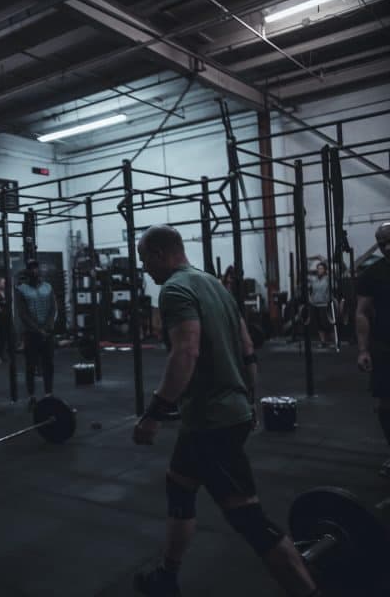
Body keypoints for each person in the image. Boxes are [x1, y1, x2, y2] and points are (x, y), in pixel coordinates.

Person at [131, 225, 318, 597]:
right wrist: (250, 399)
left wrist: (153, 413)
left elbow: (186, 351)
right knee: (179, 485)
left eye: (144, 260)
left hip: (211, 422)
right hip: (224, 413)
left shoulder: (174, 290)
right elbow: (247, 345)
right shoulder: (214, 285)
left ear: (160, 254)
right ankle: (167, 577)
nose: (144, 270)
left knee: (248, 518)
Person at [356, 221, 390, 479]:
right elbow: (363, 313)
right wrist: (363, 350)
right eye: (382, 242)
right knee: (385, 405)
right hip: (384, 344)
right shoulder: (372, 274)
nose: (386, 246)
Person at [14, 259, 57, 410]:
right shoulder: (21, 290)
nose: (34, 271)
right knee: (30, 366)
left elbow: (53, 309)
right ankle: (32, 396)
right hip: (31, 334)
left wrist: (48, 327)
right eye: (31, 269)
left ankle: (48, 394)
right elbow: (23, 314)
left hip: (48, 333)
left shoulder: (48, 287)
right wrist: (38, 330)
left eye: (36, 268)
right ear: (27, 272)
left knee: (48, 365)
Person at [307, 257, 332, 346]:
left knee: (325, 324)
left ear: (325, 270)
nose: (319, 270)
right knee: (319, 325)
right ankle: (323, 341)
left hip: (325, 304)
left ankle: (327, 339)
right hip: (315, 304)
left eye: (321, 268)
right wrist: (310, 299)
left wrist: (319, 257)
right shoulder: (314, 280)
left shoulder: (328, 279)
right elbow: (309, 290)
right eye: (318, 269)